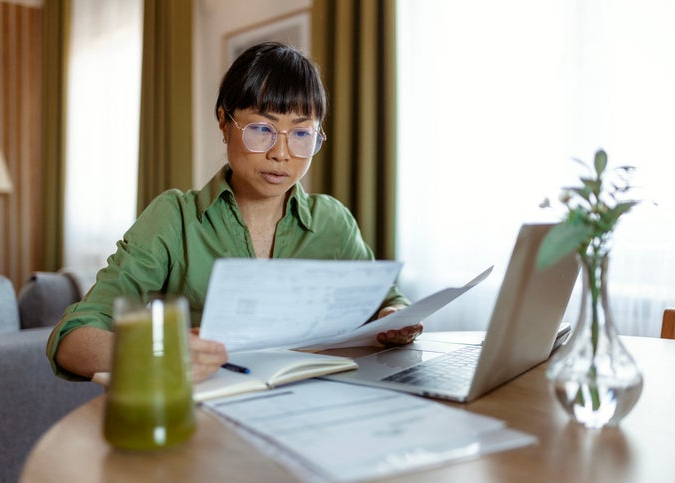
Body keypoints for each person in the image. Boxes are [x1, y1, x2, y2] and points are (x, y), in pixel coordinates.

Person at [47, 42, 422, 383]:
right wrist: (157, 352)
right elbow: (72, 339)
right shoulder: (175, 217)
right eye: (262, 129)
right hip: (208, 416)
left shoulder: (333, 222)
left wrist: (395, 318)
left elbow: (388, 301)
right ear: (225, 124)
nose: (281, 153)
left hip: (316, 410)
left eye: (302, 134)